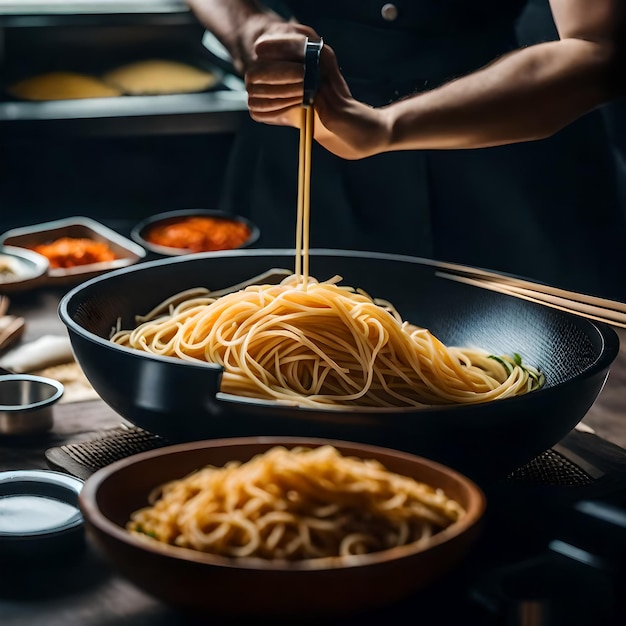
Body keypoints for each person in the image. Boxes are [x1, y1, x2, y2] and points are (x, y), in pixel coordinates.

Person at [185, 0, 626, 301]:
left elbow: (597, 49)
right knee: (278, 359)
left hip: (501, 134)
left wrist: (384, 126)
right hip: (300, 131)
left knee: (508, 380)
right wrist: (249, 29)